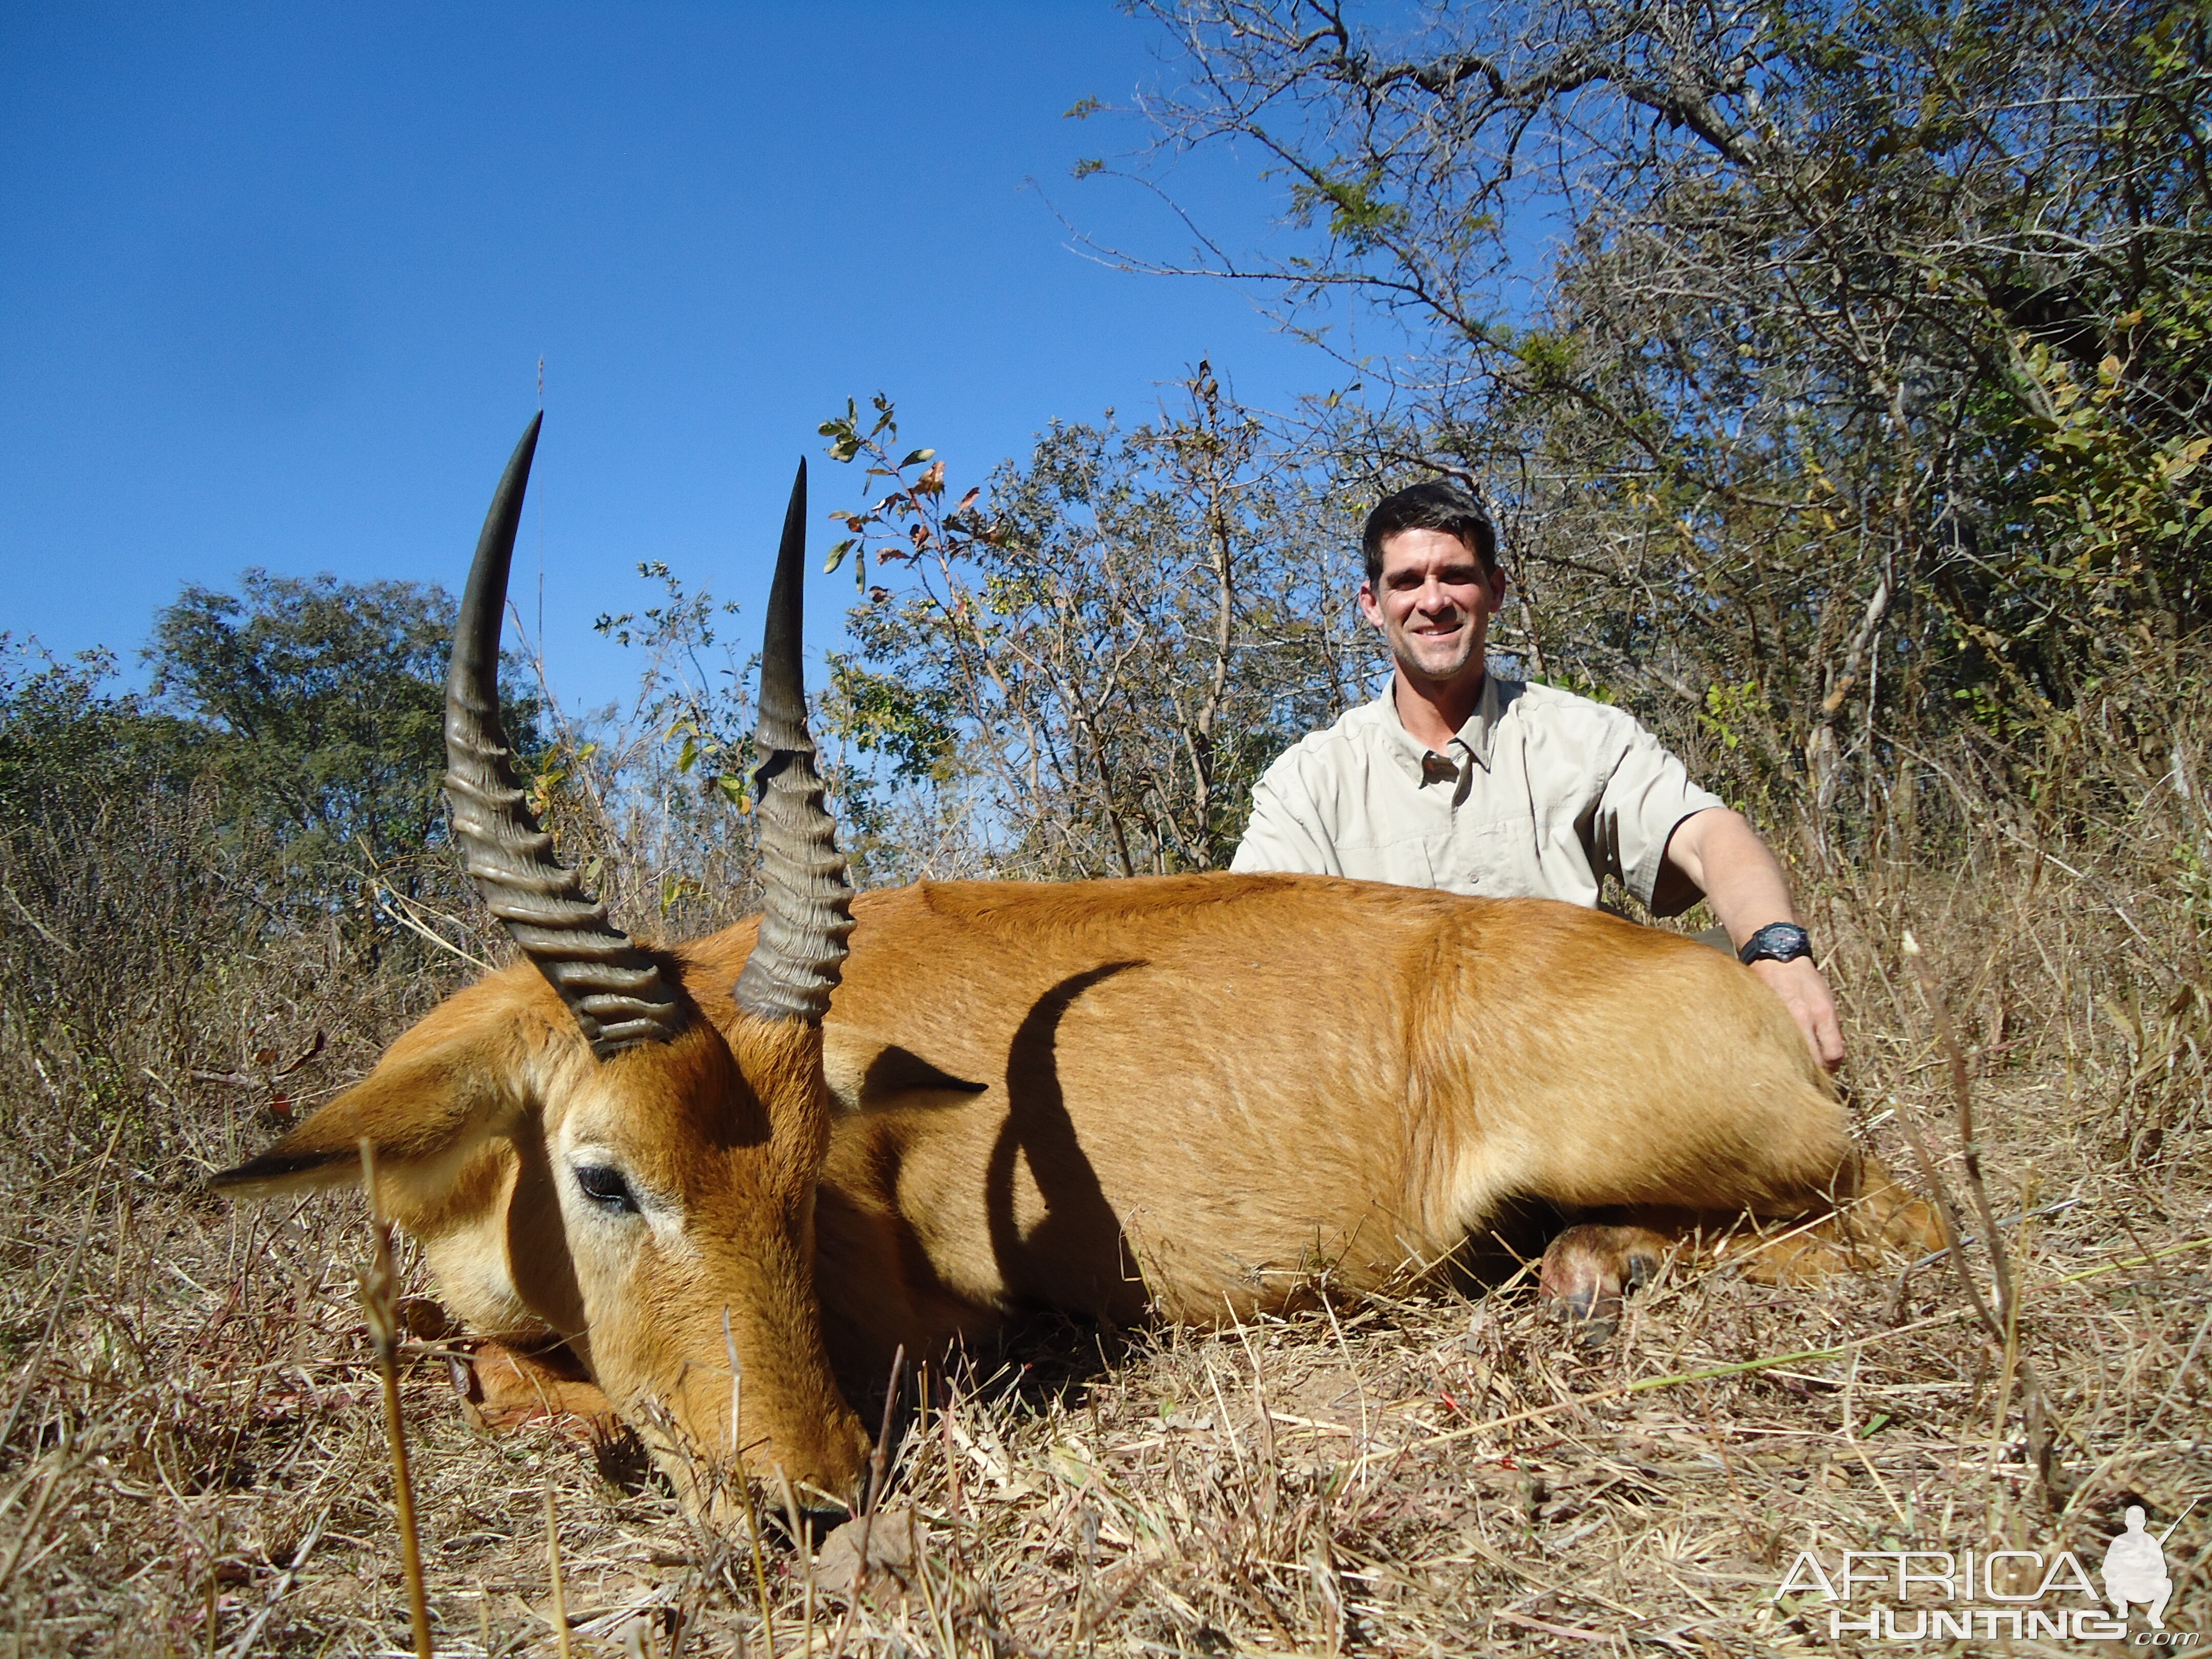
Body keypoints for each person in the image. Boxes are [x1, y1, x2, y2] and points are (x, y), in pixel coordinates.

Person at [1230, 480, 1846, 1070]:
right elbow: (1247, 945)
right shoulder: (1308, 783)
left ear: (1495, 590)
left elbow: (1709, 834)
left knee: (1727, 982)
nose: (1434, 600)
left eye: (1457, 576)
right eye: (1407, 581)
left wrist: (1778, 952)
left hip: (1583, 1059)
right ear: (1372, 605)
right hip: (1403, 1085)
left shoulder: (1580, 735)